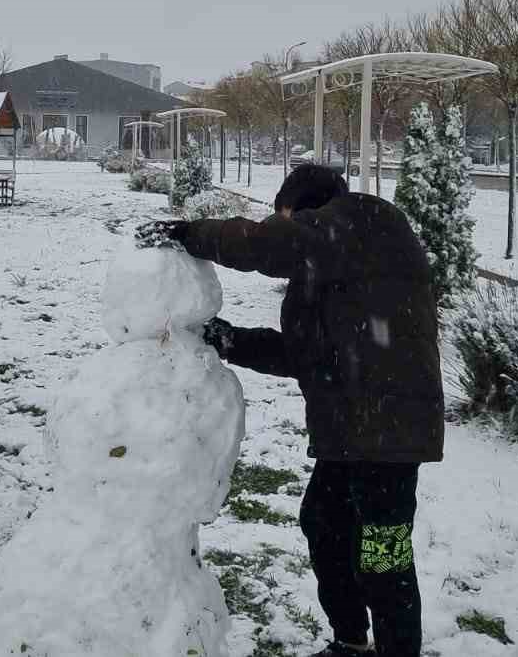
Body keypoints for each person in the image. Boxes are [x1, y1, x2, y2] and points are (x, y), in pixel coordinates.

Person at [136, 164, 441, 657]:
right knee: (323, 523)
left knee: (383, 557)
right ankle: (350, 641)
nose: (286, 228)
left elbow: (266, 244)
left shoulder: (362, 220)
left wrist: (189, 233)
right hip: (352, 429)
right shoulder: (338, 266)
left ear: (304, 209)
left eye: (286, 218)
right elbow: (306, 356)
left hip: (389, 429)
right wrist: (230, 340)